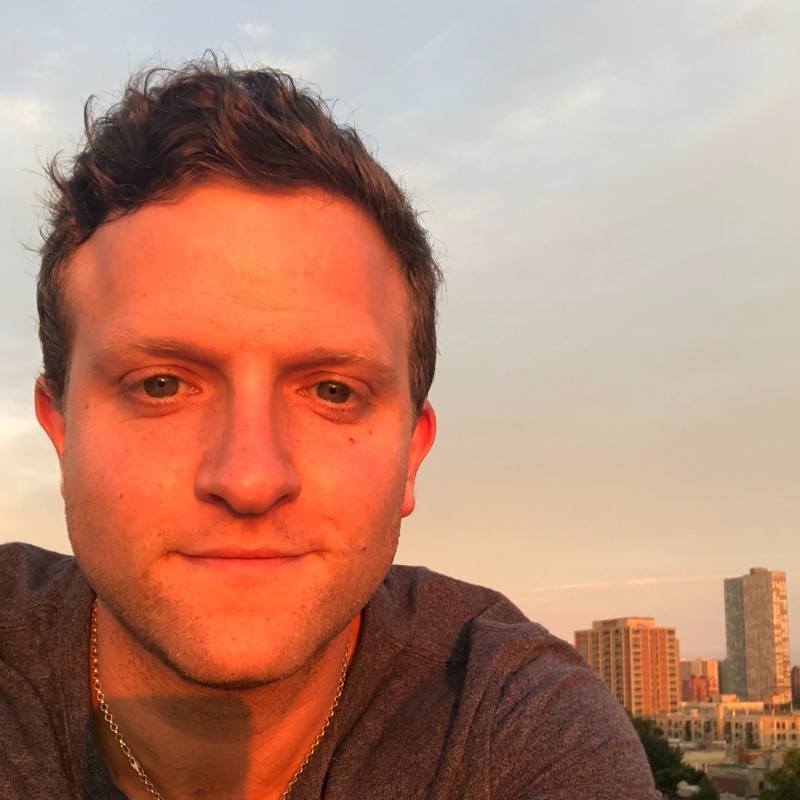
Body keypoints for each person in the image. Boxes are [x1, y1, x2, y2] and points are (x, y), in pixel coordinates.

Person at [0, 58, 660, 799]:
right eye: (161, 385)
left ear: (411, 453)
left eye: (333, 391)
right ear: (60, 430)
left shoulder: (514, 731)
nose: (250, 478)